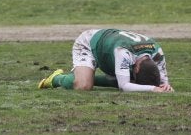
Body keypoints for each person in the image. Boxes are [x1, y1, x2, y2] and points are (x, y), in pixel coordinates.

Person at [38, 29, 174, 93]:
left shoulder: (157, 53)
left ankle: (90, 77)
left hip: (110, 47)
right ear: (137, 69)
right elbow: (124, 86)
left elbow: (162, 82)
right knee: (83, 86)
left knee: (132, 82)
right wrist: (152, 89)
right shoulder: (124, 52)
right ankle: (56, 78)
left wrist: (165, 86)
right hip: (88, 44)